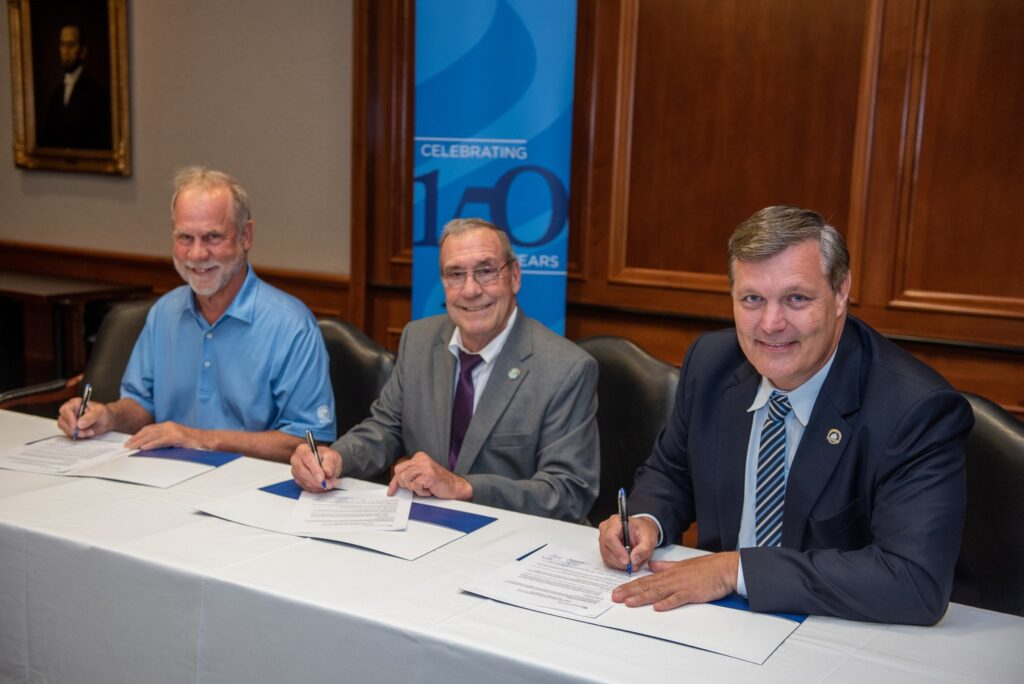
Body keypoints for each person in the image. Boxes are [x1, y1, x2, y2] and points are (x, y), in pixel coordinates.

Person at [598, 205, 973, 625]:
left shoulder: (915, 410)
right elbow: (672, 471)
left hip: (836, 634)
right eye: (752, 299)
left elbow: (913, 582)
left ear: (841, 290)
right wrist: (645, 521)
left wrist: (732, 570)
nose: (771, 324)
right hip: (712, 622)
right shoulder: (711, 363)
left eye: (796, 298)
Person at [291, 218, 599, 522]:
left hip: (513, 540)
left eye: (486, 271)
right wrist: (336, 458)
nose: (470, 290)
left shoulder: (566, 368)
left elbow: (569, 490)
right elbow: (386, 428)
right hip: (426, 529)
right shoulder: (419, 339)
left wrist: (464, 487)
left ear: (515, 276)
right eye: (455, 274)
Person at [58, 167, 336, 461]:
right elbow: (142, 405)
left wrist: (201, 439)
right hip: (165, 478)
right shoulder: (164, 312)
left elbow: (309, 442)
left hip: (249, 490)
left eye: (213, 237)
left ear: (246, 236)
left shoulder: (292, 325)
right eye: (185, 238)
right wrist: (109, 416)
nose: (197, 254)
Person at [38, 24, 112, 150]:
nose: (65, 52)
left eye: (71, 45)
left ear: (83, 51)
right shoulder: (55, 95)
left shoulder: (96, 95)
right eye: (62, 44)